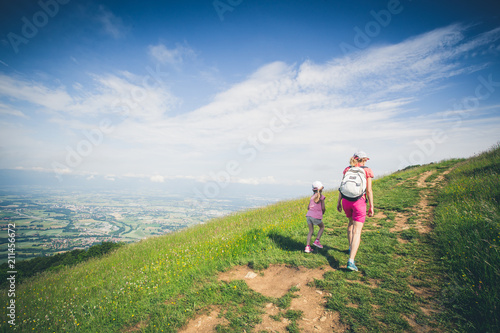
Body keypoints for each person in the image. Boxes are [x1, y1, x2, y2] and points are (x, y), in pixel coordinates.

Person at [336, 151, 374, 271]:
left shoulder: (347, 169)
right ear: (364, 160)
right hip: (359, 202)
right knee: (357, 231)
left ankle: (350, 247)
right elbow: (369, 191)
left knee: (350, 224)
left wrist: (339, 202)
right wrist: (371, 206)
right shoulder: (367, 170)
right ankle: (351, 261)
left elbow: (342, 187)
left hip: (346, 201)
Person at [305, 181, 326, 253]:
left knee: (310, 231)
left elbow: (308, 207)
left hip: (308, 216)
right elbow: (323, 208)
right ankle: (317, 241)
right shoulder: (321, 197)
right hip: (315, 217)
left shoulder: (312, 197)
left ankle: (307, 247)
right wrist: (322, 212)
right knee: (322, 227)